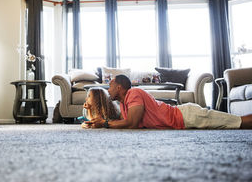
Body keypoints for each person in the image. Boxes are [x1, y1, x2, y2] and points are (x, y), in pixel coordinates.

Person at [85, 74, 252, 129]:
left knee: (237, 122)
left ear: (120, 87)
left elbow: (132, 123)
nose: (108, 88)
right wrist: (96, 120)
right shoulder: (124, 103)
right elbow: (120, 122)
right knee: (233, 122)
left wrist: (105, 124)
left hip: (187, 116)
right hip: (182, 120)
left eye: (111, 84)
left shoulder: (134, 93)